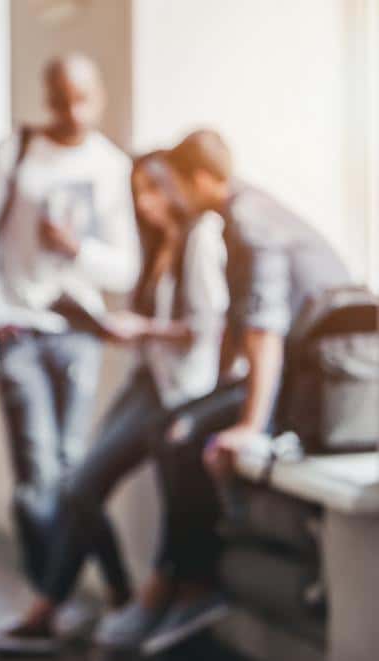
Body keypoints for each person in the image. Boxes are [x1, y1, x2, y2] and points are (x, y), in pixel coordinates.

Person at [96, 130, 353, 654]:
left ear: (203, 180)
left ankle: (191, 584)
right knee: (172, 426)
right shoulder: (232, 222)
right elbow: (238, 330)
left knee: (187, 435)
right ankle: (173, 582)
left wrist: (248, 426)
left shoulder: (254, 225)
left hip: (320, 384)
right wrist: (212, 398)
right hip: (295, 375)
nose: (169, 199)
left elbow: (264, 334)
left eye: (173, 185)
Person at [0, 151, 229, 654]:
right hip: (150, 379)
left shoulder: (202, 237)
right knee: (80, 486)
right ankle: (114, 597)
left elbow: (209, 328)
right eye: (137, 192)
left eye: (153, 190)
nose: (144, 203)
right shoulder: (157, 244)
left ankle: (100, 604)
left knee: (106, 487)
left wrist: (144, 329)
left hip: (182, 392)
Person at [0, 52, 140, 654]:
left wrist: (76, 250)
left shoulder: (112, 167)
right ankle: (56, 597)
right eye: (61, 96)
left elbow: (125, 265)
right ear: (48, 94)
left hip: (78, 333)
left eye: (83, 97)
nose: (72, 109)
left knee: (72, 472)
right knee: (36, 478)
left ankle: (93, 600)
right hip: (20, 328)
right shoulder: (15, 151)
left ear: (99, 96)